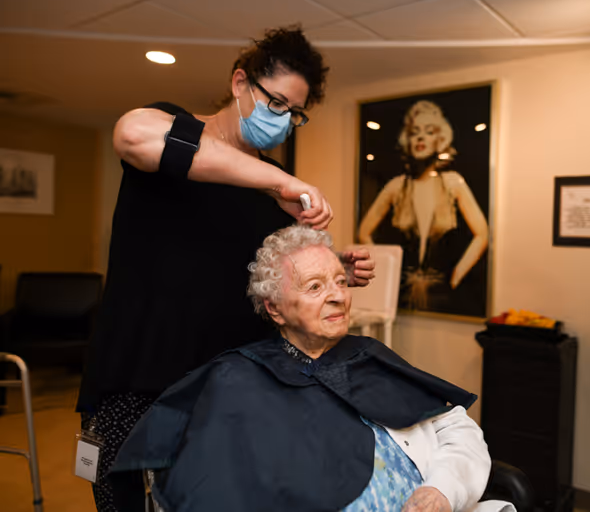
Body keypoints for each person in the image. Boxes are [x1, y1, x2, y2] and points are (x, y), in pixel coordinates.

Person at [77, 27, 374, 512]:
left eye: (294, 114)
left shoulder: (268, 198)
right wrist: (281, 179)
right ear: (240, 83)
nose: (282, 120)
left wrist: (335, 269)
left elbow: (262, 280)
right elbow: (132, 134)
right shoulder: (175, 128)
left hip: (224, 397)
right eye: (275, 103)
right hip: (138, 381)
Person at [111, 225, 514, 512]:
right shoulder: (236, 379)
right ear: (274, 308)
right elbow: (209, 489)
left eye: (340, 281)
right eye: (315, 287)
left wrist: (442, 490)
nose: (338, 296)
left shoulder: (371, 356)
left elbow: (457, 429)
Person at [357, 100, 488, 313]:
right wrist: (383, 273)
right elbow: (364, 232)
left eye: (429, 131)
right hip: (401, 293)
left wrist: (456, 276)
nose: (420, 137)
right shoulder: (397, 186)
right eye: (415, 132)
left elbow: (482, 234)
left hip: (443, 295)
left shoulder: (453, 182)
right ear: (407, 140)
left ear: (440, 140)